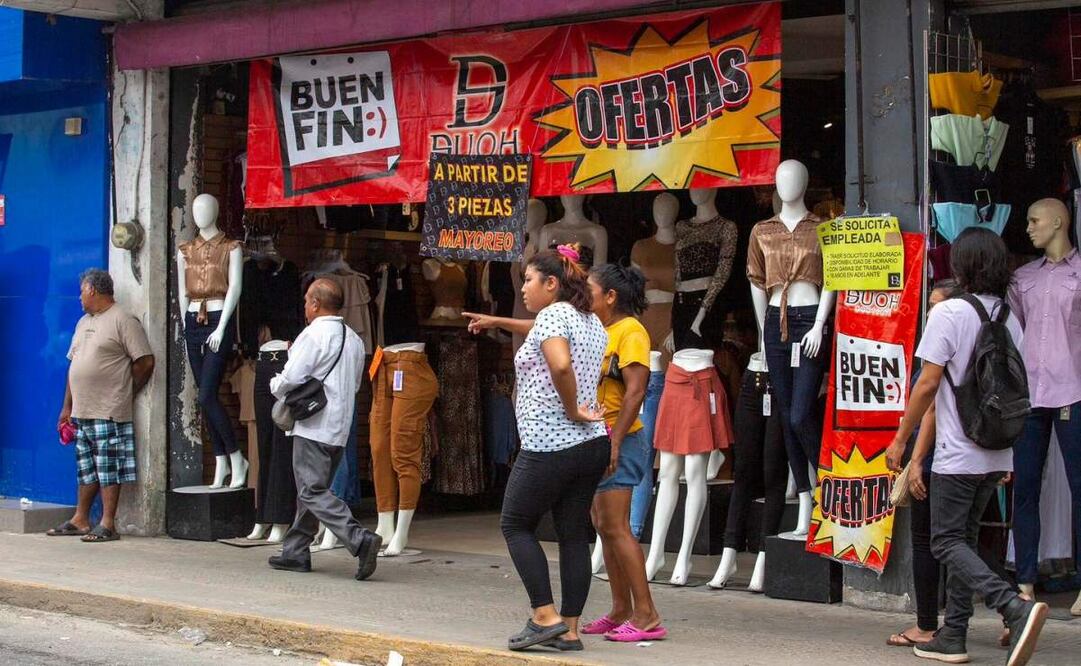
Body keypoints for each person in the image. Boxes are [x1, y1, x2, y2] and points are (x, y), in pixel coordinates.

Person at [886, 228, 1049, 666]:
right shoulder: (1007, 317)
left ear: (963, 266)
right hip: (997, 449)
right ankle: (953, 635)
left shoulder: (949, 313)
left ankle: (1013, 605)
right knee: (965, 539)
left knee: (944, 542)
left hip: (958, 452)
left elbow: (927, 384)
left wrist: (901, 437)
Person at [463, 245, 609, 652]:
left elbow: (560, 364)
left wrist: (572, 409)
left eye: (528, 279)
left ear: (551, 283)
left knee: (514, 523)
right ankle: (571, 629)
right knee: (572, 535)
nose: (523, 287)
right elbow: (542, 332)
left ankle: (544, 616)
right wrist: (499, 321)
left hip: (551, 443)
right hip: (590, 446)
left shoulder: (552, 316)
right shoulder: (588, 319)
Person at [267, 278, 382, 581]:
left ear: (316, 304)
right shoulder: (354, 339)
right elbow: (356, 384)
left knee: (311, 490)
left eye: (307, 300)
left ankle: (358, 538)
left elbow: (291, 378)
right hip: (340, 426)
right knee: (313, 490)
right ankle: (295, 551)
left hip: (313, 425)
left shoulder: (313, 335)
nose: (304, 306)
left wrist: (274, 383)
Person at [582, 264, 666, 642]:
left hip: (622, 438)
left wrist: (614, 440)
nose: (586, 295)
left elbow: (635, 392)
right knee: (604, 526)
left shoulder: (631, 331)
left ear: (611, 296)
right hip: (602, 437)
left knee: (616, 527)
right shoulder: (602, 328)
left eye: (591, 290)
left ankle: (646, 614)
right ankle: (620, 609)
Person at [50, 269, 155, 543]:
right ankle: (80, 519)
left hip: (109, 408)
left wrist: (125, 391)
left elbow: (145, 361)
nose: (79, 298)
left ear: (93, 291)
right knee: (86, 467)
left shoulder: (123, 319)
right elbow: (75, 366)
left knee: (108, 466)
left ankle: (108, 522)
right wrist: (66, 408)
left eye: (82, 292)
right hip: (82, 410)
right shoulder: (83, 322)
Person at [884, 279, 958, 648]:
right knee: (954, 539)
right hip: (950, 454)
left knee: (935, 539)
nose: (930, 313)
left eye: (937, 306)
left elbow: (929, 404)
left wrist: (911, 455)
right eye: (928, 306)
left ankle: (928, 623)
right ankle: (1012, 600)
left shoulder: (941, 346)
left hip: (935, 454)